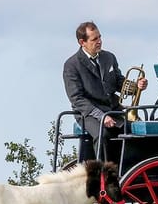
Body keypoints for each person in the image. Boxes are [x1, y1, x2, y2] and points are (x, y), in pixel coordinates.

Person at [62, 21, 148, 162]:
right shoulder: (71, 65)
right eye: (94, 39)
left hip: (112, 109)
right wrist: (102, 116)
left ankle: (129, 170)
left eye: (100, 37)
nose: (99, 42)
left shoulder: (109, 57)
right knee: (102, 135)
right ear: (82, 42)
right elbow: (77, 99)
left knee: (137, 131)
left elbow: (119, 82)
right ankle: (104, 175)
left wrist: (136, 86)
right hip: (87, 113)